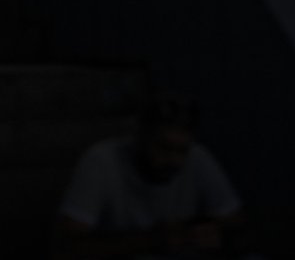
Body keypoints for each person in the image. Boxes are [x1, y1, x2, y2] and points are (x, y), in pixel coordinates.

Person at [56, 92, 244, 258]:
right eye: (163, 147)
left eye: (181, 151)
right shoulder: (102, 160)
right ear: (139, 137)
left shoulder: (197, 157)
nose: (173, 160)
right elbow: (66, 247)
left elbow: (237, 225)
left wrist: (216, 234)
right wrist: (151, 240)